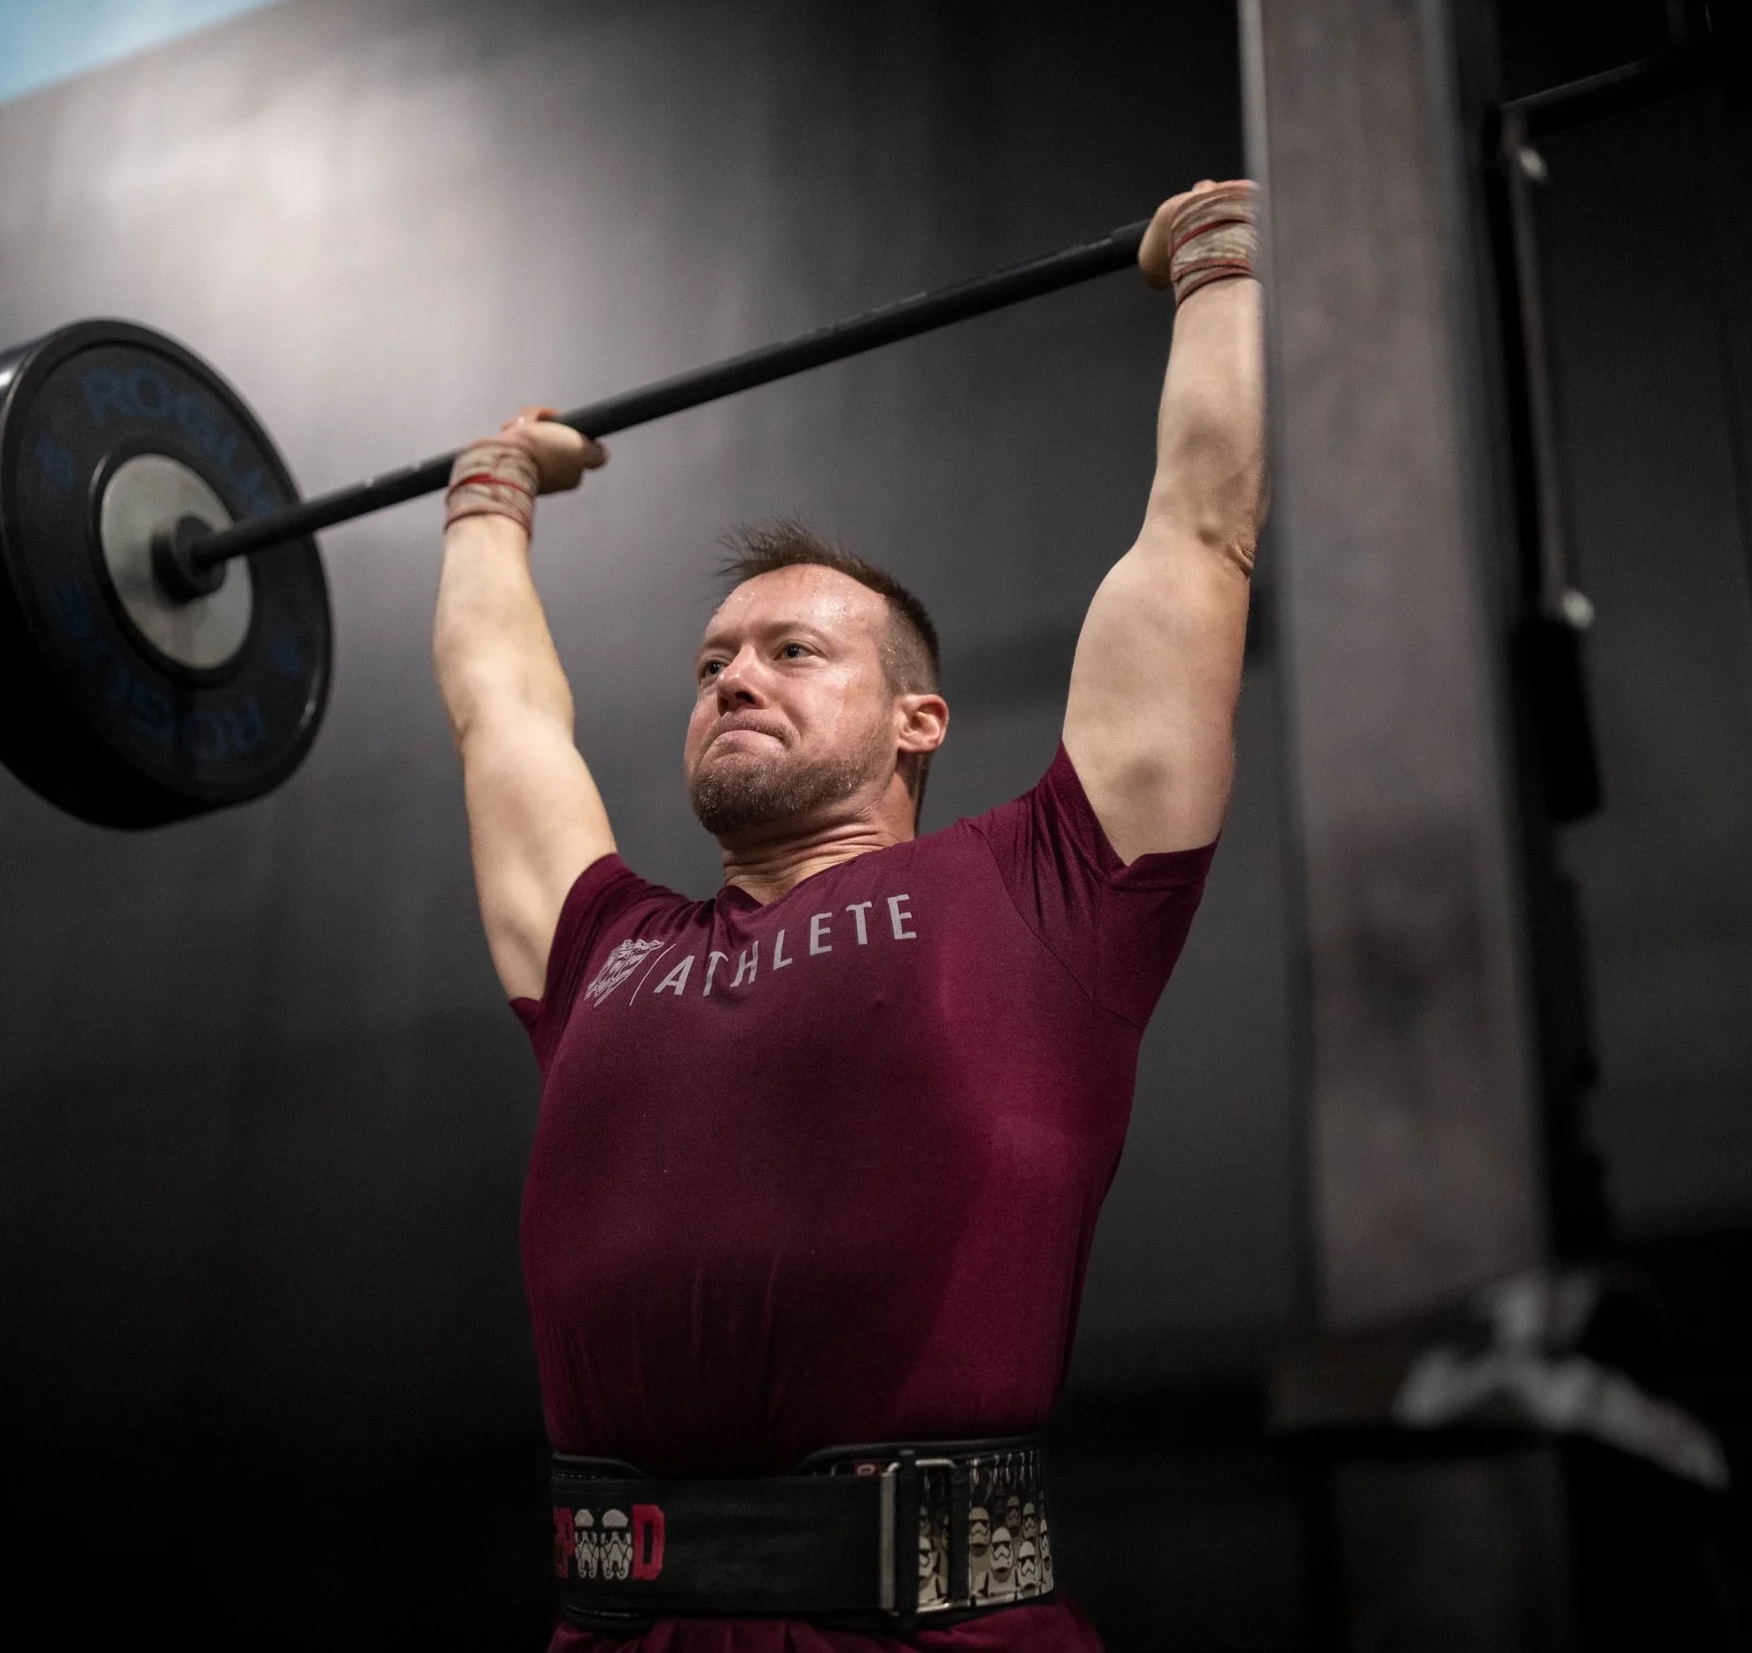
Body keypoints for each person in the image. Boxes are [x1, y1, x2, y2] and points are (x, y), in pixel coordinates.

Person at [431, 179, 1263, 1651]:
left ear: (918, 719)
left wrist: (1223, 266)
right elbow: (500, 714)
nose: (733, 678)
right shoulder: (602, 951)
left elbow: (1199, 537)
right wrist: (490, 491)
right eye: (711, 662)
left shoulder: (1050, 888)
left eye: (793, 649)